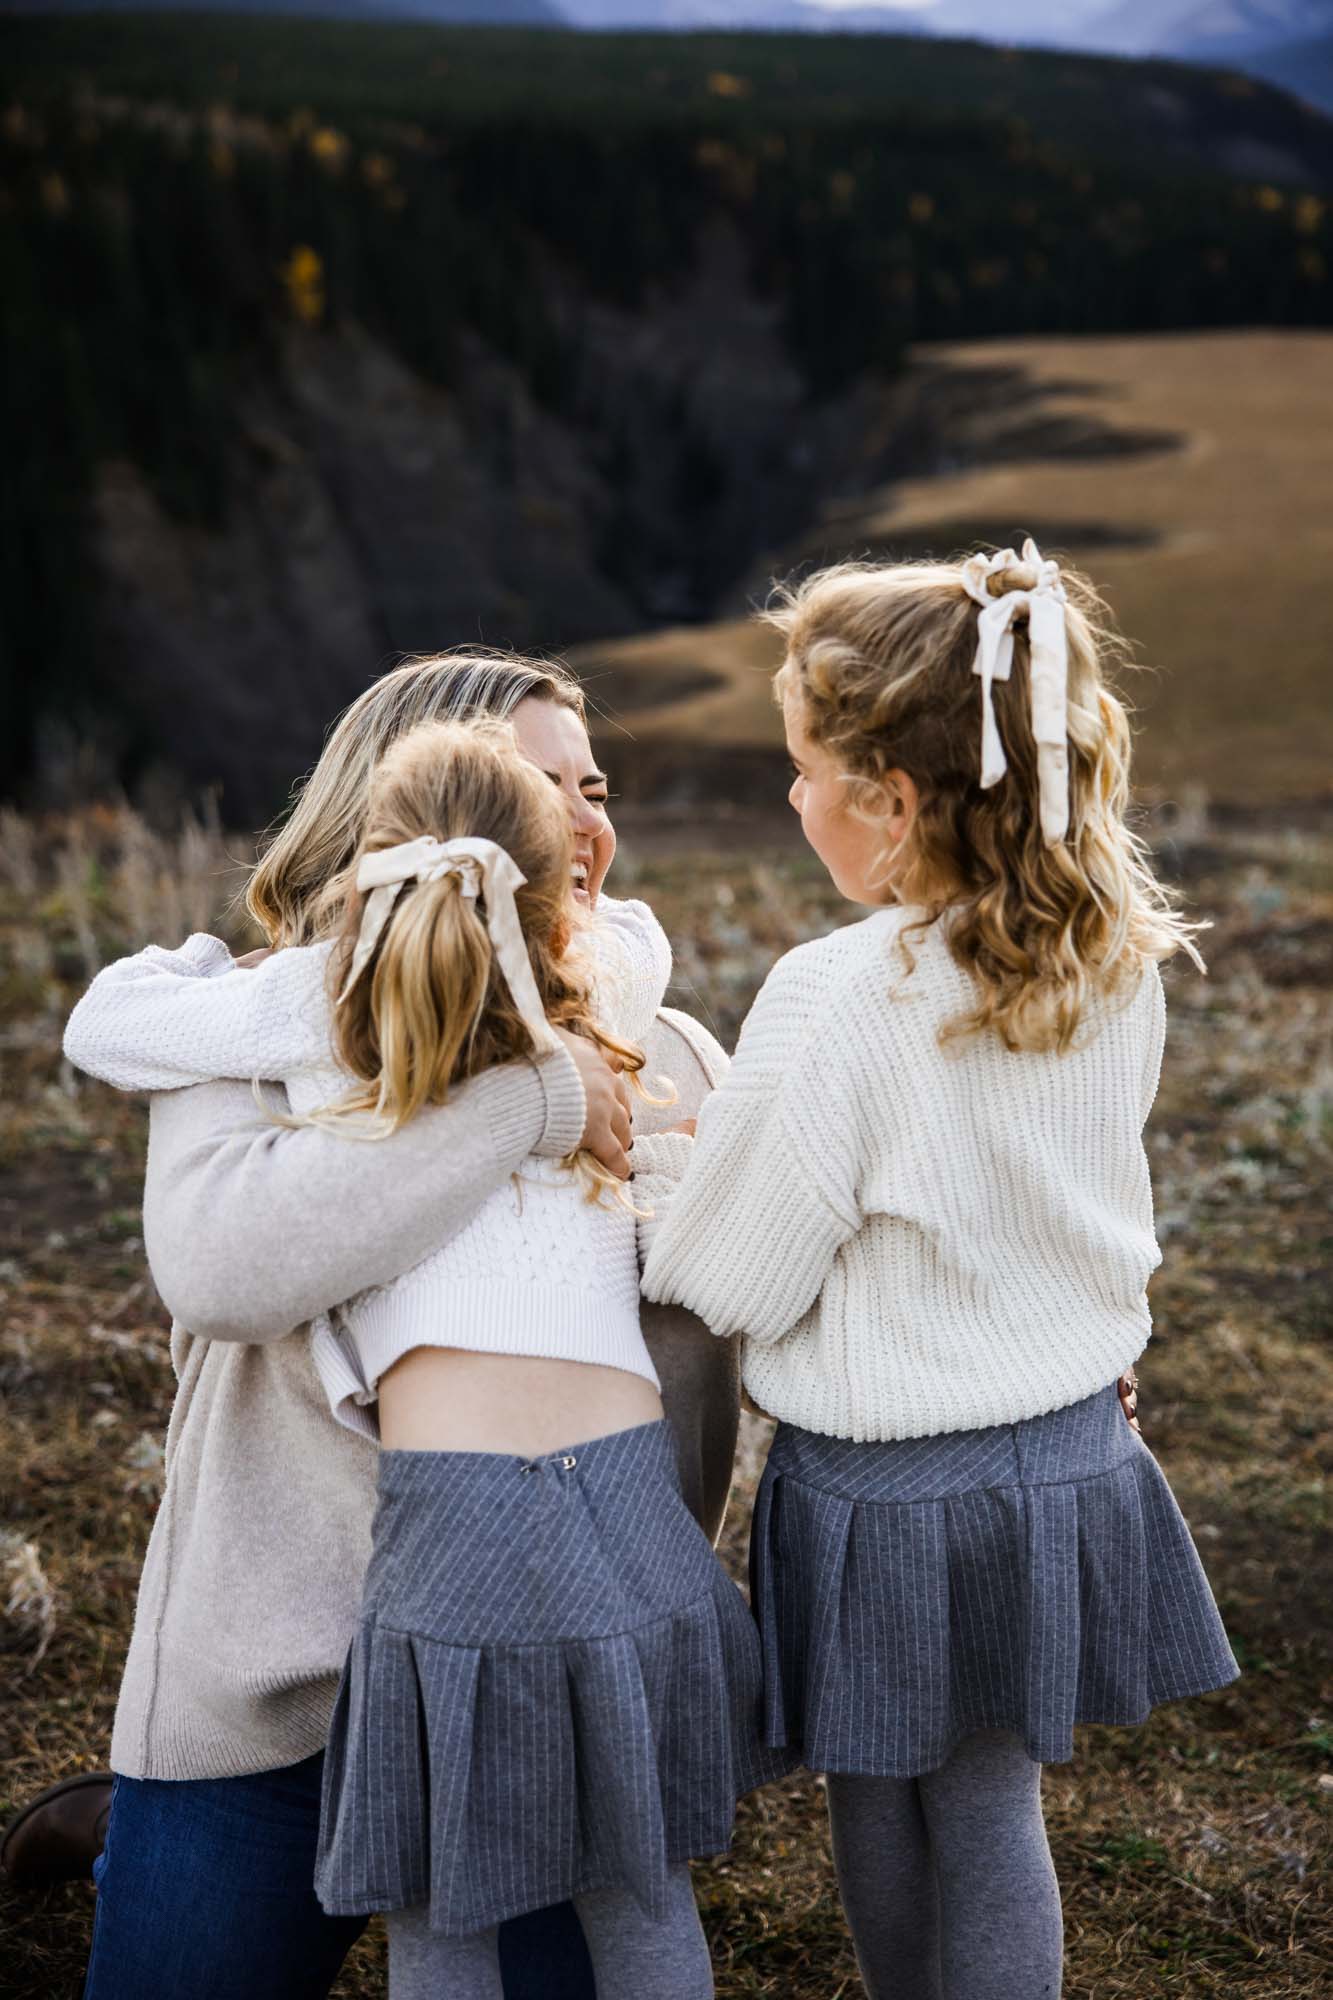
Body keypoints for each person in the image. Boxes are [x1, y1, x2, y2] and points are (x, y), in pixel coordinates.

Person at [2, 652, 739, 2000]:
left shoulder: (663, 1051)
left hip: (545, 1679)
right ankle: (136, 1835)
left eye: (596, 786)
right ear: (397, 817)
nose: (582, 826)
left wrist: (1057, 1364)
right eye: (535, 789)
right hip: (272, 1700)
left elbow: (792, 1274)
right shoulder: (253, 1035)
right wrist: (520, 1105)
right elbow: (226, 1267)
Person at [642, 544, 1239, 2000]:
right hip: (1057, 1453)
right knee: (989, 1807)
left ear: (893, 804)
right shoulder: (1111, 957)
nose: (788, 799)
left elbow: (734, 1276)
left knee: (892, 1812)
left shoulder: (839, 994)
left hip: (887, 1490)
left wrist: (662, 1174)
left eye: (801, 771)